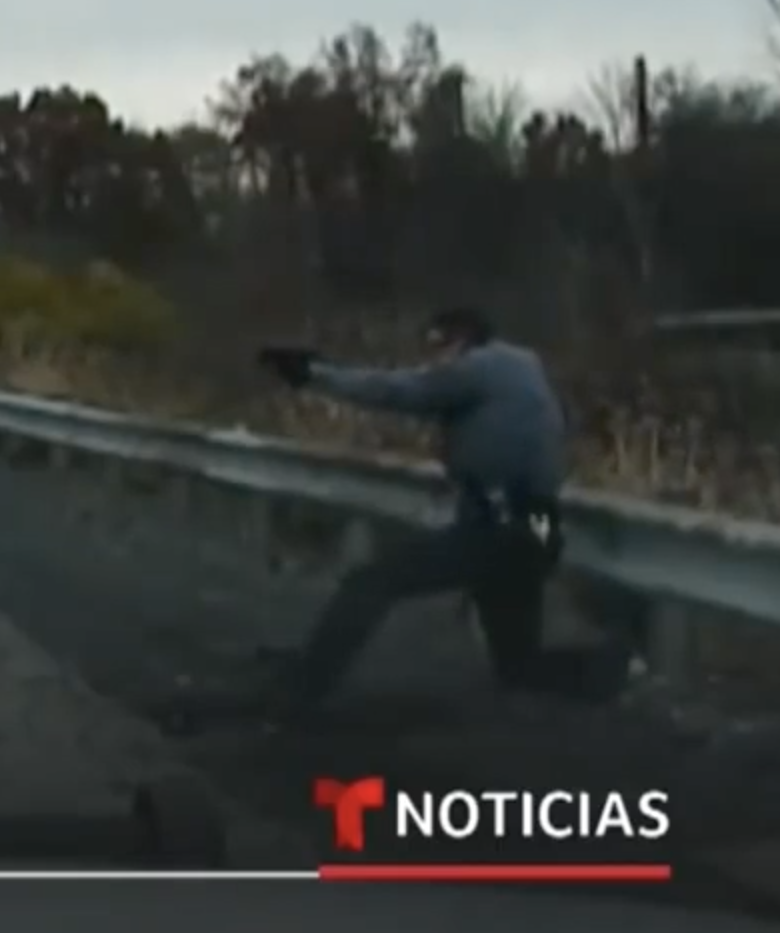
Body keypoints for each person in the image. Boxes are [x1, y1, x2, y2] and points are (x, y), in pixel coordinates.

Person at [254, 307, 628, 720]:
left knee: (370, 582)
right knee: (518, 665)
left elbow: (399, 391)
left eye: (437, 346)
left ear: (462, 339)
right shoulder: (522, 371)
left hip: (498, 527)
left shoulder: (480, 368)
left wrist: (315, 373)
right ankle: (609, 669)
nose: (432, 360)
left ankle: (303, 688)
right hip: (536, 527)